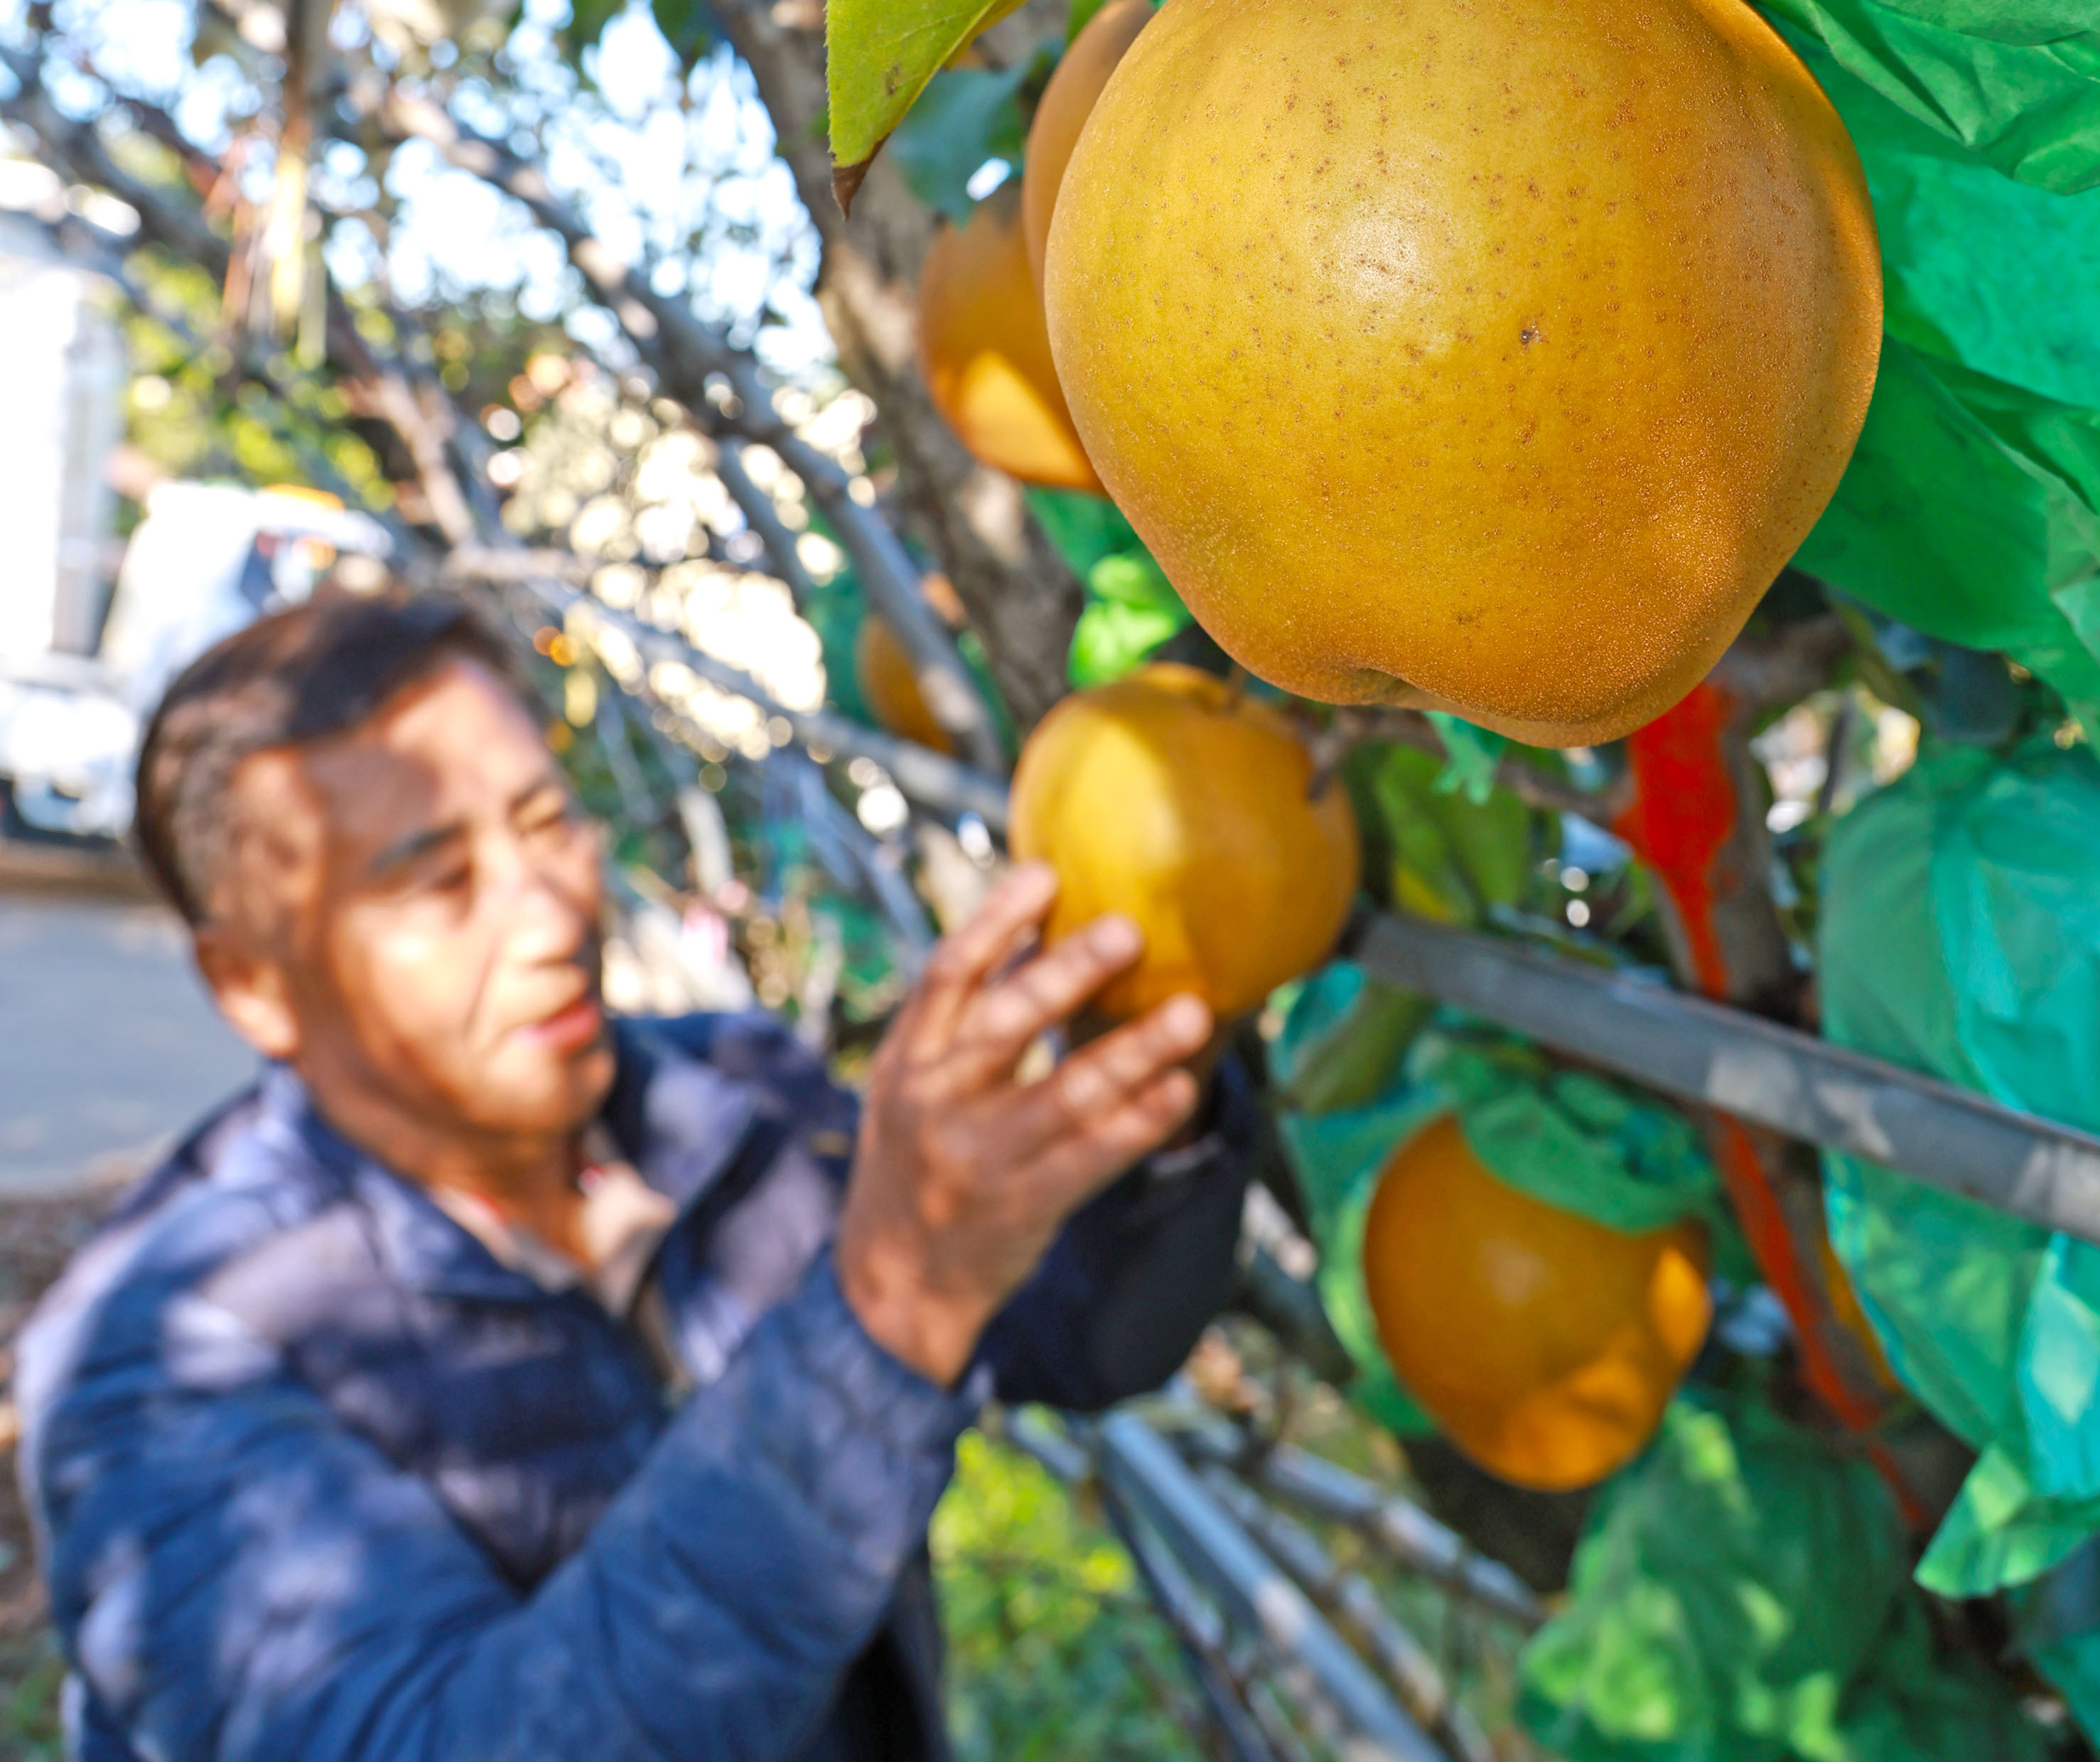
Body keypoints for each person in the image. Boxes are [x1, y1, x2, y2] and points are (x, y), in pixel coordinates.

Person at [18, 589, 1256, 1761]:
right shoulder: (161, 1368)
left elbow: (1078, 1340)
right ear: (251, 983)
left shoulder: (727, 1102)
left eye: (548, 823)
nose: (548, 915)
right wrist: (892, 1301)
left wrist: (1159, 1060)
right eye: (440, 882)